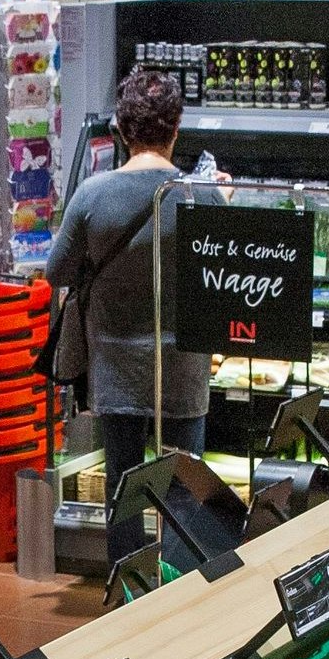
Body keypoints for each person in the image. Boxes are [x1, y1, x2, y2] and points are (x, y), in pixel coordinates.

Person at [48, 68, 209, 573]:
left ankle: (128, 596)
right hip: (184, 369)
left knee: (124, 484)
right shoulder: (199, 195)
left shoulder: (93, 195)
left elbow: (57, 271)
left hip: (116, 368)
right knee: (184, 488)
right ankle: (183, 591)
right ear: (176, 128)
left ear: (119, 129)